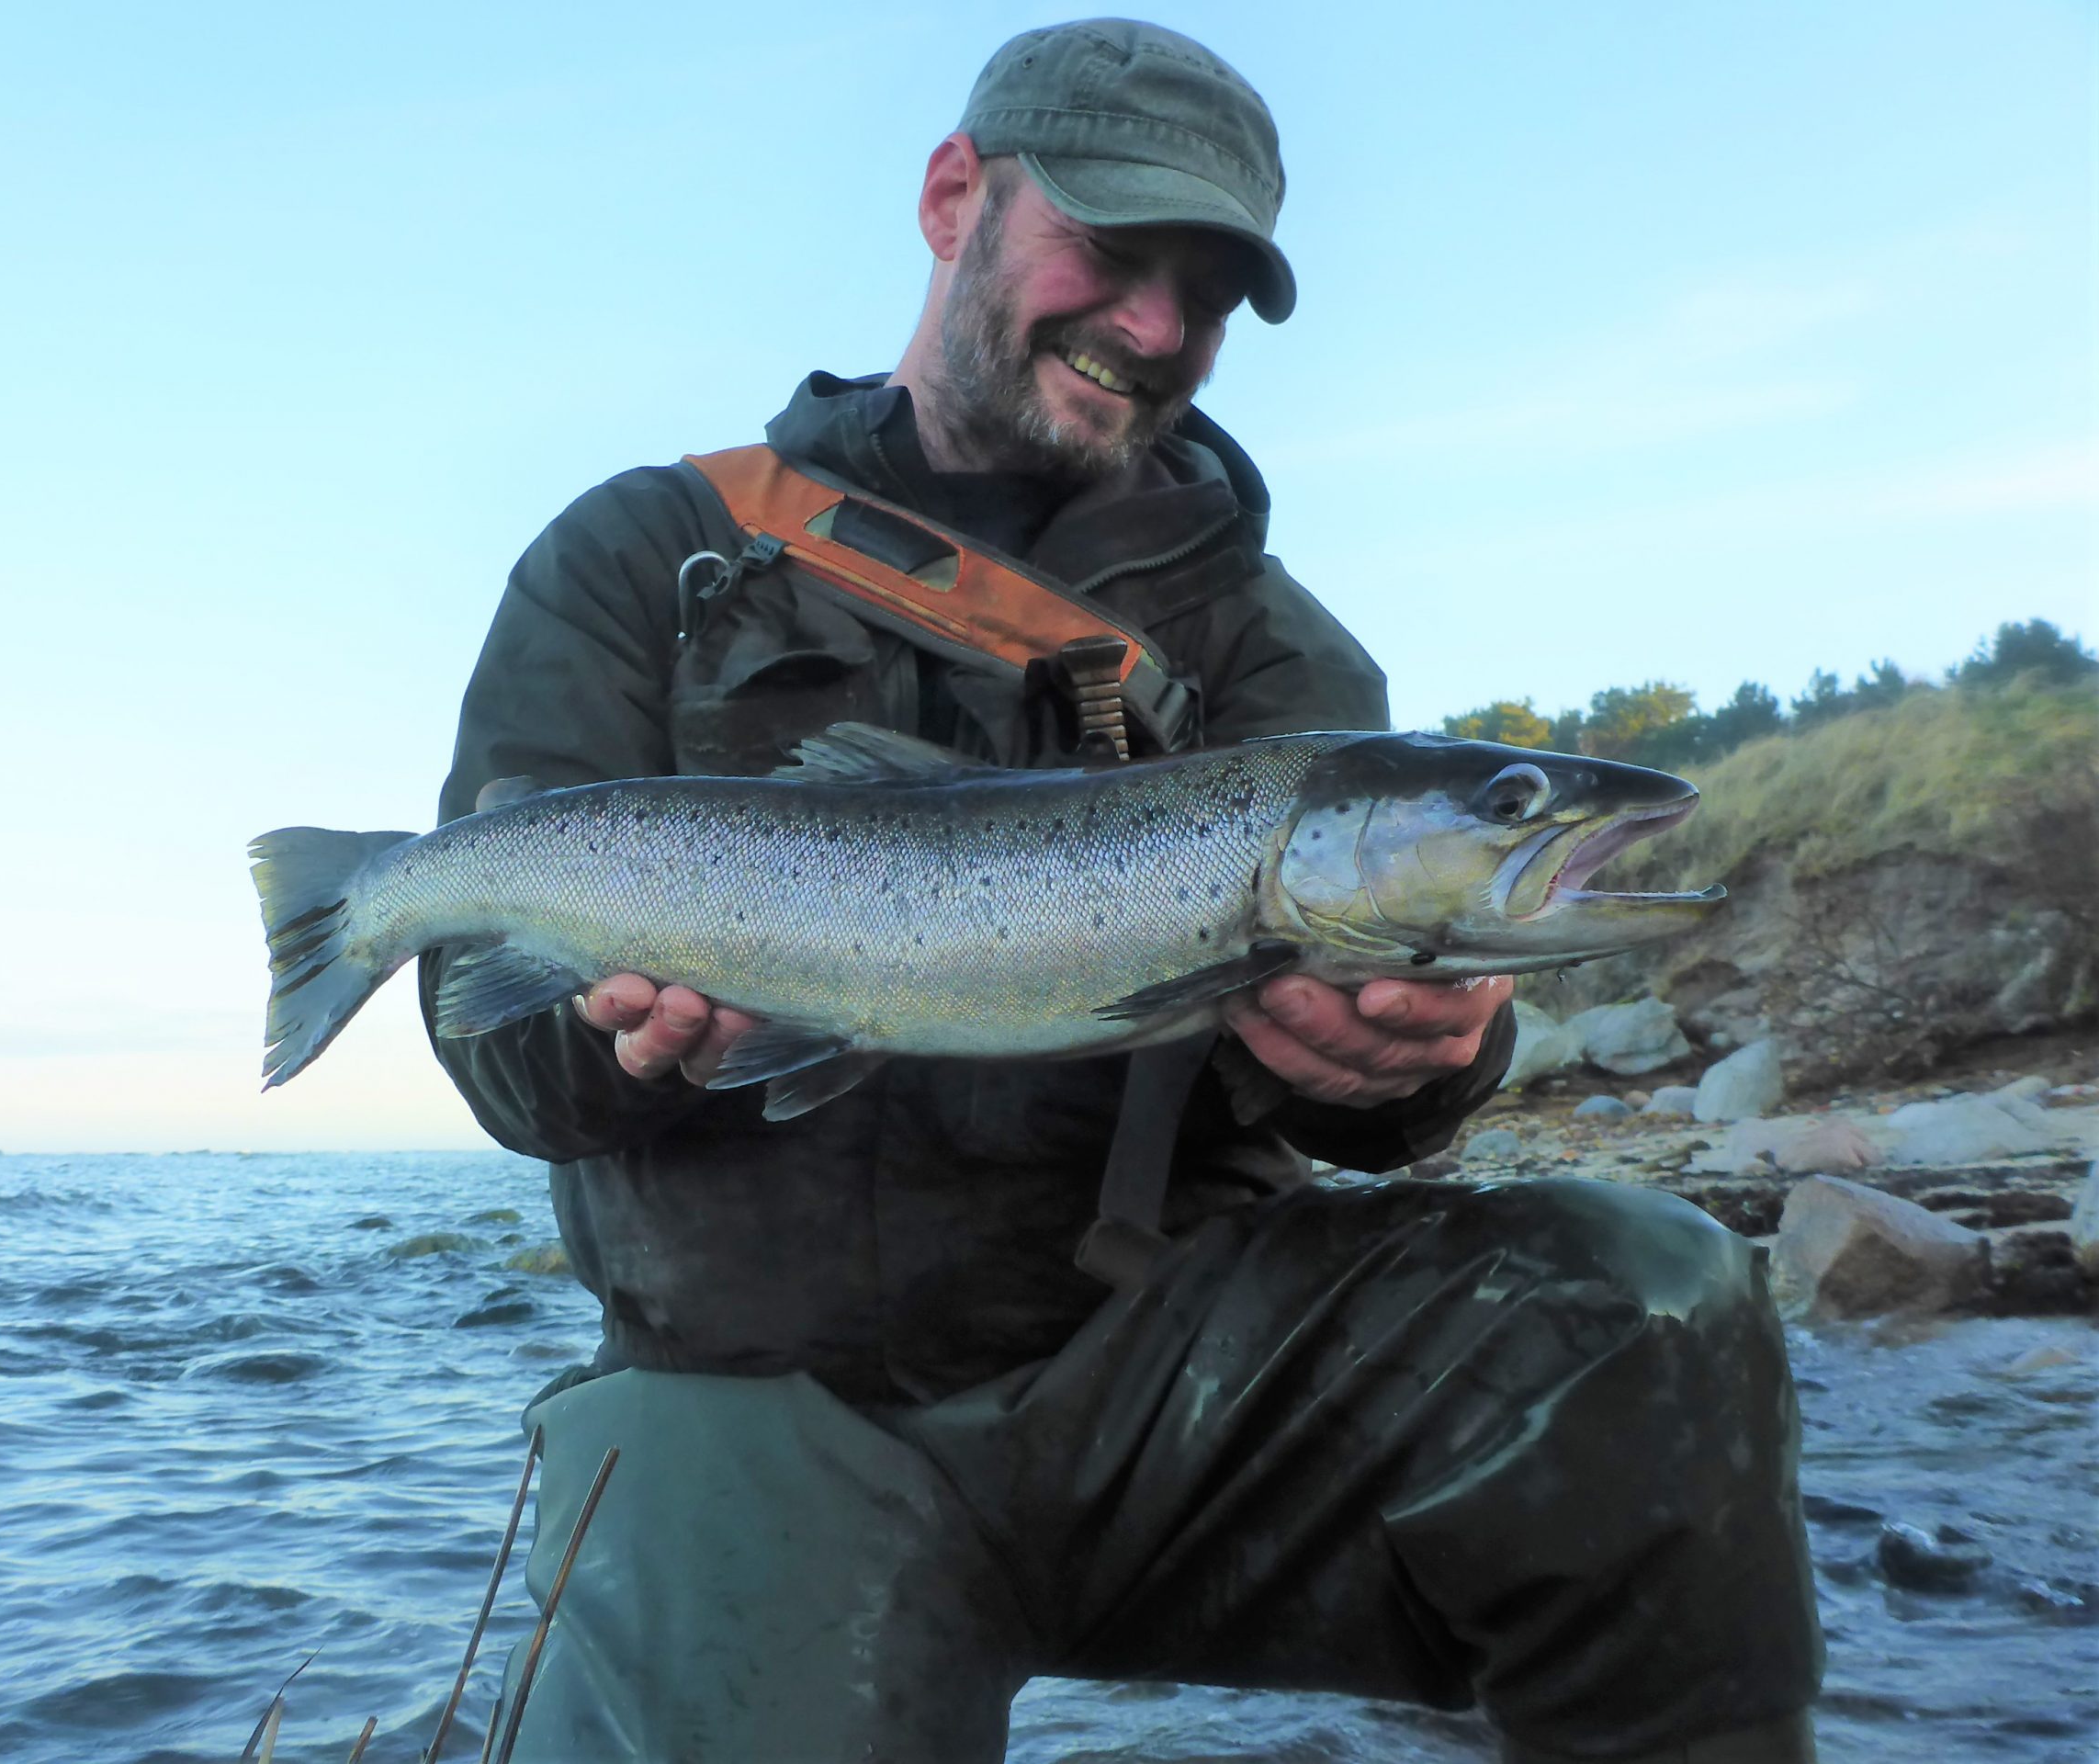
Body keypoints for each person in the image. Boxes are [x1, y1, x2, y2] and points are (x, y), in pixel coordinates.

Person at [426, 20, 1823, 1763]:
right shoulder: (650, 556)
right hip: (755, 1403)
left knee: (1652, 1302)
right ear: (956, 200)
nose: (1155, 329)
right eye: (1109, 249)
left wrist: (1429, 1056)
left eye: (1209, 293)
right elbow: (496, 1055)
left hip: (1176, 1390)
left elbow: (1361, 1119)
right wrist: (608, 1034)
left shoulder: (1282, 651)